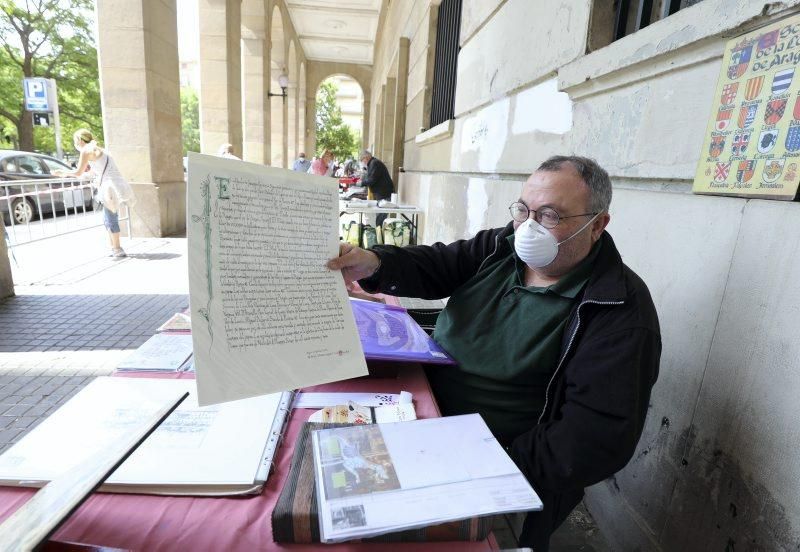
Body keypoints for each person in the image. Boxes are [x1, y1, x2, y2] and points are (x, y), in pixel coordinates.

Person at [327, 155, 661, 551]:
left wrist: (488, 461)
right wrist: (376, 262)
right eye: (524, 210)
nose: (529, 228)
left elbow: (593, 439)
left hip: (487, 454)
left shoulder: (618, 310)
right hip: (417, 402)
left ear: (597, 225)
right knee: (327, 461)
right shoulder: (502, 247)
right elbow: (439, 263)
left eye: (550, 216)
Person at [54, 129, 136, 258]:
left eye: (75, 141)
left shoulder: (86, 150)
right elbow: (95, 171)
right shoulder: (100, 150)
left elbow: (78, 172)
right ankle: (114, 248)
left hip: (109, 188)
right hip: (115, 186)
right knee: (107, 218)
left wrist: (62, 173)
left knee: (110, 218)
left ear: (80, 140)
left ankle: (118, 249)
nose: (75, 144)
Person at [359, 150, 393, 227]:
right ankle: (379, 235)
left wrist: (361, 183)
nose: (362, 162)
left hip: (384, 194)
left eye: (362, 160)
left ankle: (379, 236)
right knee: (379, 217)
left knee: (380, 218)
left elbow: (372, 180)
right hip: (381, 194)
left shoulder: (374, 163)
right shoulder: (372, 163)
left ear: (366, 157)